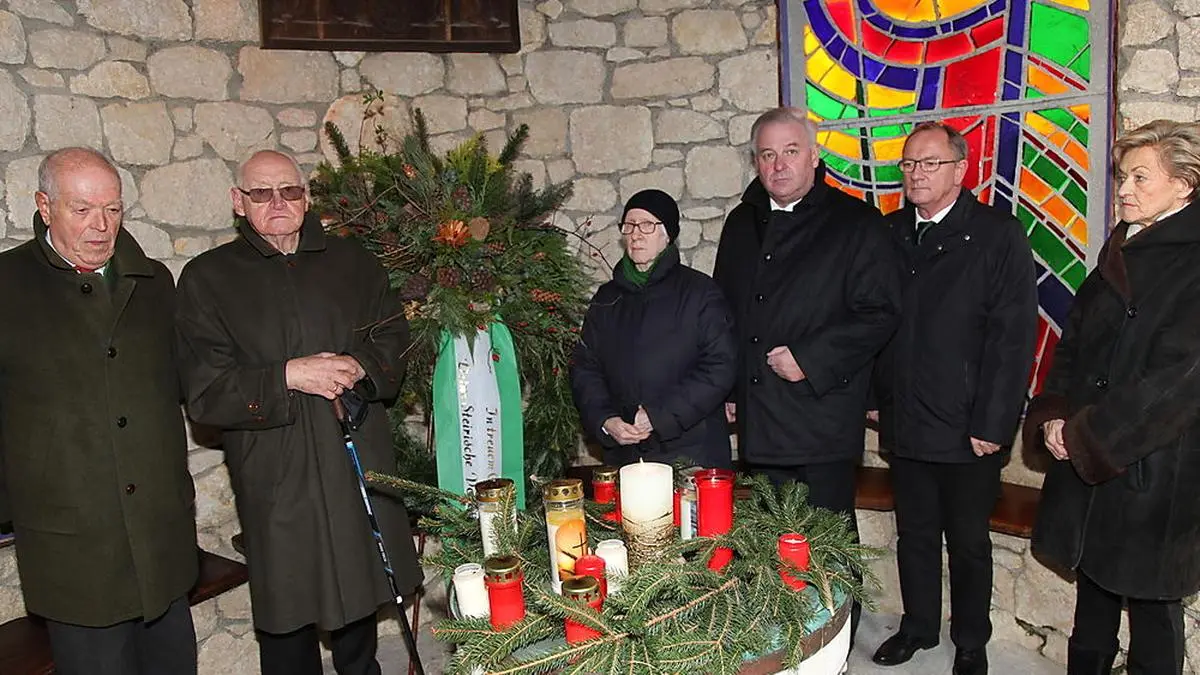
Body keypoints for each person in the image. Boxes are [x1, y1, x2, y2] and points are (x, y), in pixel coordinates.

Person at [175, 150, 421, 675]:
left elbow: (395, 339)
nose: (277, 203)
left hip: (351, 448)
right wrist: (288, 375)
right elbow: (204, 392)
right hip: (275, 464)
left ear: (306, 198)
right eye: (261, 193)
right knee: (287, 604)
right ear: (238, 203)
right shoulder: (207, 278)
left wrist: (358, 365)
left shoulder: (353, 261)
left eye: (289, 191)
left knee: (359, 590)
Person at [0, 147, 198, 674]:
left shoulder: (155, 282)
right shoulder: (7, 285)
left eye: (112, 209)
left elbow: (192, 379)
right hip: (73, 548)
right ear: (44, 207)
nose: (101, 225)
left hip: (160, 539)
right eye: (82, 209)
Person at [712, 107, 903, 633]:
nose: (779, 165)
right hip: (759, 413)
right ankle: (779, 639)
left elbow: (880, 312)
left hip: (821, 413)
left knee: (827, 542)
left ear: (814, 157)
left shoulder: (855, 222)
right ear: (756, 161)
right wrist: (728, 386)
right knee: (768, 538)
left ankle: (836, 641)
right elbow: (726, 311)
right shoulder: (741, 222)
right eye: (767, 155)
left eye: (791, 151)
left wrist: (810, 358)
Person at [1026, 120, 1200, 675]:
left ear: (1184, 186)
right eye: (1123, 176)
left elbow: (1176, 381)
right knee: (1094, 594)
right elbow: (1073, 346)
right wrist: (1053, 416)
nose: (1124, 189)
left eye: (1141, 177)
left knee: (1152, 609)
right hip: (1091, 456)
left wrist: (1087, 437)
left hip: (1153, 467)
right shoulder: (1120, 249)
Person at [869, 122, 1038, 675]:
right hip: (906, 417)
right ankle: (918, 627)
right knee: (913, 534)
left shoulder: (996, 234)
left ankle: (970, 640)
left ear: (960, 170)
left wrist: (994, 421)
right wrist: (876, 395)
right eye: (909, 164)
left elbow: (1013, 338)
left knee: (967, 542)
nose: (916, 174)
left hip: (969, 425)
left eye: (929, 163)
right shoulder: (889, 233)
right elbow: (872, 322)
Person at [571, 189, 737, 468]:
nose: (636, 234)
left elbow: (720, 367)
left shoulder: (700, 293)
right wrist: (605, 420)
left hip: (692, 455)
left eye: (648, 225)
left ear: (668, 234)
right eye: (629, 225)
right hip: (626, 456)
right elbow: (585, 366)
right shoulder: (606, 298)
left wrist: (658, 417)